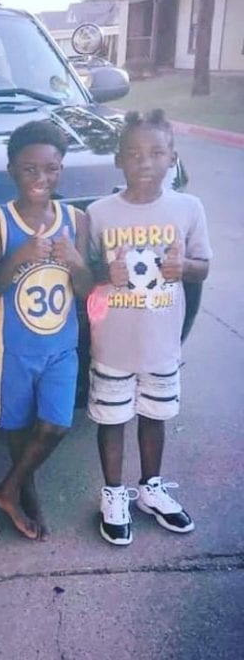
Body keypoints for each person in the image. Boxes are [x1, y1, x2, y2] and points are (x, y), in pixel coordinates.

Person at [85, 109, 212, 546]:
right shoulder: (99, 213)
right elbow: (85, 273)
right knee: (112, 418)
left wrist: (184, 267)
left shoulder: (188, 208)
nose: (146, 162)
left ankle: (151, 489)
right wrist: (106, 271)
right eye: (135, 153)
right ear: (119, 159)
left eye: (157, 152)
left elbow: (203, 267)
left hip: (161, 343)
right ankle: (114, 493)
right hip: (112, 344)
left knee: (155, 416)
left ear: (172, 158)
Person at [0, 121, 92, 541]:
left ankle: (8, 487)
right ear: (12, 170)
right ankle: (24, 490)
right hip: (14, 346)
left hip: (62, 345)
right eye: (30, 170)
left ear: (61, 169)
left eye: (51, 169)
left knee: (57, 424)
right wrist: (21, 255)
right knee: (16, 424)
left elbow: (86, 288)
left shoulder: (75, 220)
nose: (41, 179)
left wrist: (76, 262)